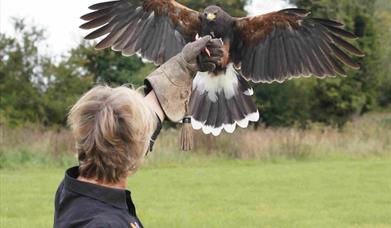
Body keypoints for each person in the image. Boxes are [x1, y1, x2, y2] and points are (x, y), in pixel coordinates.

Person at [53, 36, 223, 228]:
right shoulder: (103, 224)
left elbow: (145, 121)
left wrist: (183, 65)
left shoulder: (73, 190)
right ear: (137, 150)